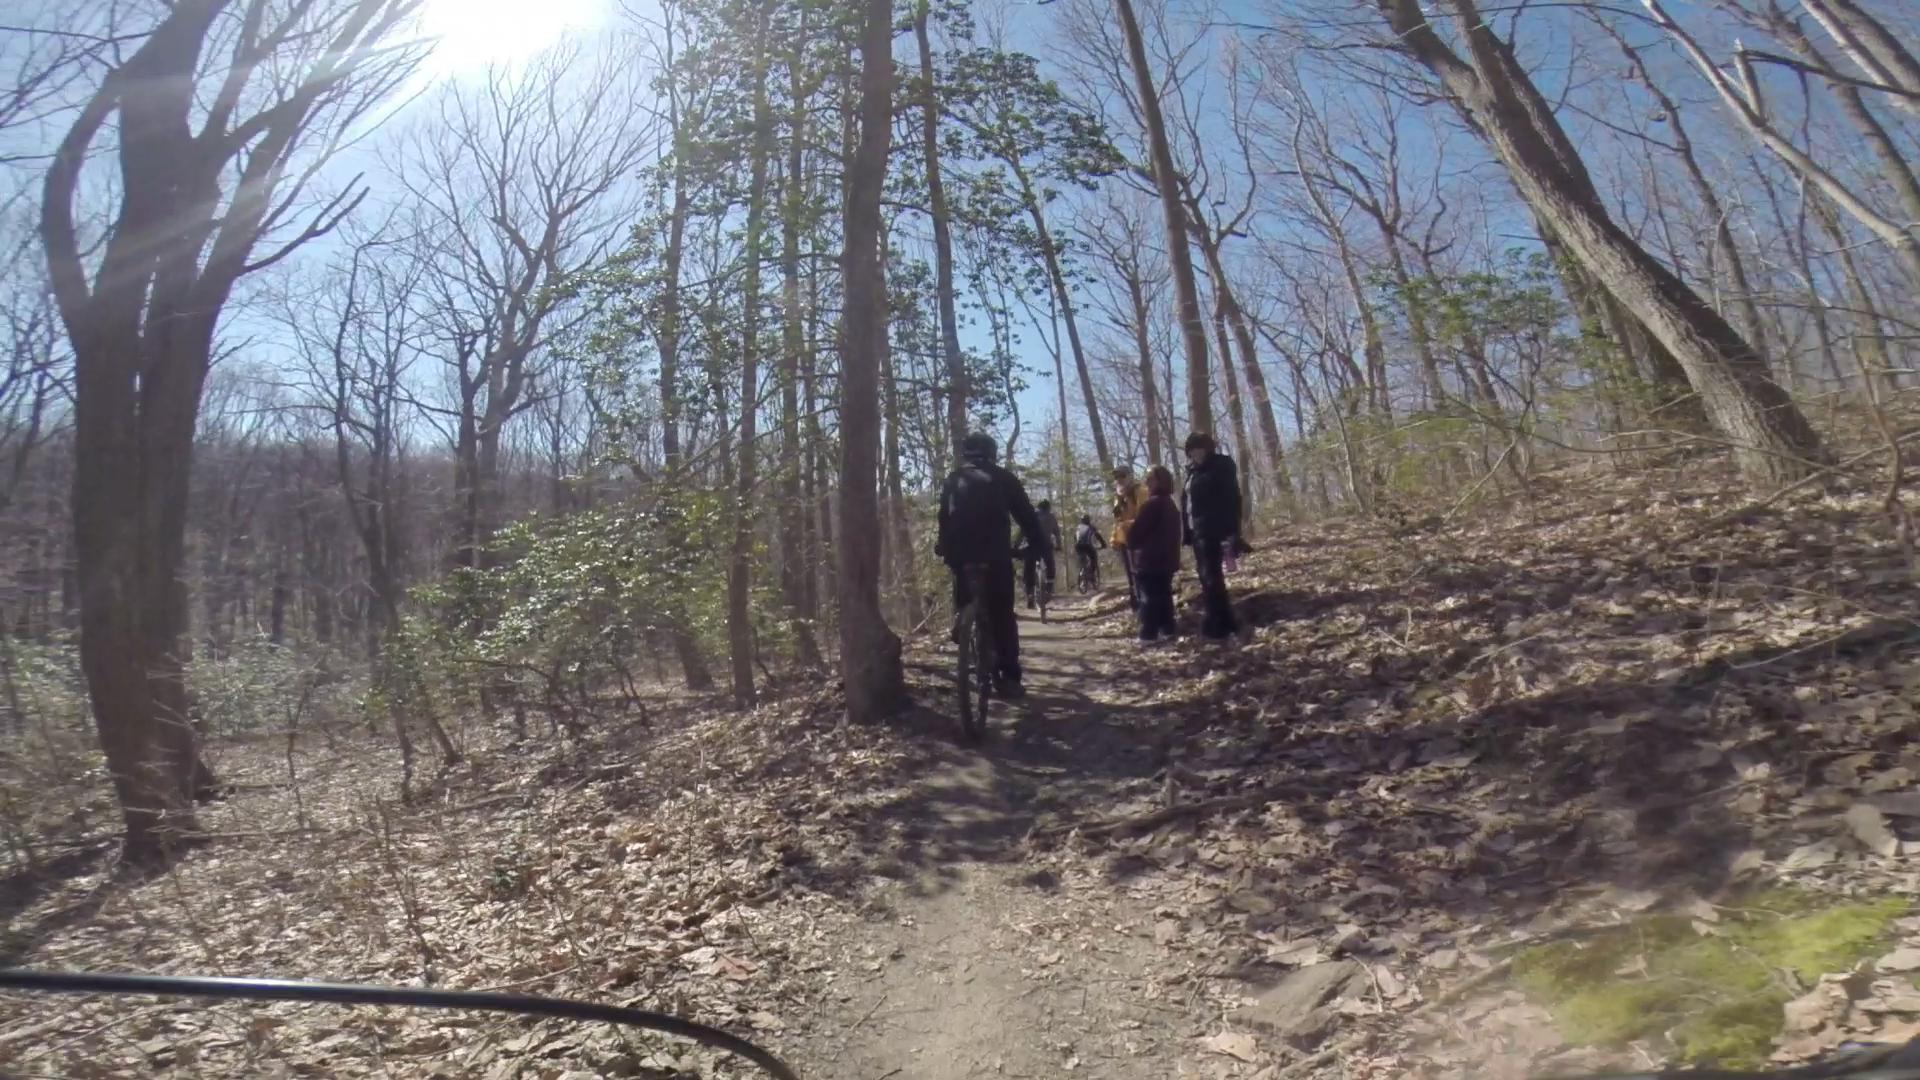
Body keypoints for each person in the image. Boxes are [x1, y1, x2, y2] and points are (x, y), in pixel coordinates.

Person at [936, 432, 1043, 696]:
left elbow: (944, 519)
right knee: (1002, 614)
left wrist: (945, 548)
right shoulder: (1004, 478)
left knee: (964, 591)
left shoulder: (953, 479)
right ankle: (1009, 677)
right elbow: (1028, 518)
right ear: (992, 453)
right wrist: (1037, 546)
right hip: (995, 556)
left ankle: (962, 619)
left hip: (961, 555)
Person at [1181, 432, 1243, 642]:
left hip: (1214, 529)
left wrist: (1231, 531)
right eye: (1191, 450)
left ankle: (1218, 626)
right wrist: (1187, 533)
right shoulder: (1192, 472)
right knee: (1207, 577)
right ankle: (1223, 621)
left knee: (1211, 576)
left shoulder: (1221, 466)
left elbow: (1232, 499)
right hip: (1196, 531)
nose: (1195, 453)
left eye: (1199, 448)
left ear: (1208, 448)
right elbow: (1188, 503)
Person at [1127, 466, 1183, 645]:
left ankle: (1148, 634)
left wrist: (1129, 536)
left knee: (1149, 597)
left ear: (1160, 481)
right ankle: (1168, 630)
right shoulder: (1170, 504)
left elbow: (1135, 534)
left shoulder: (1152, 505)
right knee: (1164, 595)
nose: (1146, 482)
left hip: (1149, 560)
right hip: (1167, 561)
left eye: (1150, 478)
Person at [1110, 466, 1148, 610]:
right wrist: (1115, 538)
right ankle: (1138, 610)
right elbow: (1118, 521)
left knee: (1140, 577)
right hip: (1126, 542)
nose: (1119, 479)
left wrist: (1126, 526)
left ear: (1130, 476)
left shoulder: (1140, 491)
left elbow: (1144, 517)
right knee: (1132, 579)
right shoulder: (1118, 496)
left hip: (1140, 541)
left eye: (1122, 476)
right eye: (1116, 477)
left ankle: (1145, 612)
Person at [1021, 498, 1062, 609]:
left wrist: (1017, 546)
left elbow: (1023, 531)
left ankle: (1029, 593)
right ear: (1048, 508)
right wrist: (1059, 546)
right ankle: (1049, 588)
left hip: (1031, 545)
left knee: (1028, 568)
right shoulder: (1051, 517)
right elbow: (1057, 533)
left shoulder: (1031, 515)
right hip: (1045, 546)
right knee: (1050, 566)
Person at [1073, 514, 1106, 587]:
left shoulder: (1078, 527)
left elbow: (1075, 538)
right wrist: (1103, 544)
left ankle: (1082, 573)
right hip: (1087, 545)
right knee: (1093, 558)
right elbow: (1098, 536)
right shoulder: (1091, 527)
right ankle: (1091, 575)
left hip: (1078, 546)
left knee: (1082, 559)